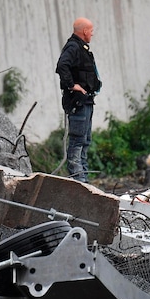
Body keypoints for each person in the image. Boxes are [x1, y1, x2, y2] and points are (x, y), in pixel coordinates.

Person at [55, 17, 102, 183]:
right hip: (78, 103)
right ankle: (79, 182)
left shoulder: (82, 48)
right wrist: (72, 85)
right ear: (84, 31)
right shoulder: (73, 47)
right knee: (77, 143)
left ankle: (84, 181)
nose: (92, 33)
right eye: (91, 30)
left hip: (87, 101)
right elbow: (62, 65)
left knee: (85, 142)